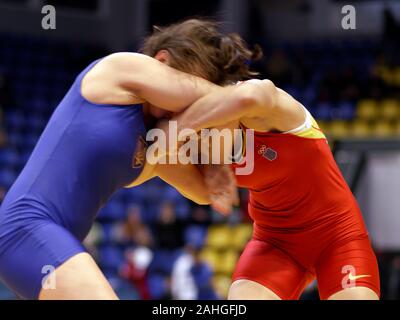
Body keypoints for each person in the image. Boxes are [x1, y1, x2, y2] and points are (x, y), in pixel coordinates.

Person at [0, 19, 258, 300]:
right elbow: (230, 100)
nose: (193, 110)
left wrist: (204, 155)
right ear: (162, 61)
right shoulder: (120, 69)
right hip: (26, 227)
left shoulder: (158, 145)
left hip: (52, 243)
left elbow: (206, 193)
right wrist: (214, 159)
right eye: (191, 97)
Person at [168, 78, 380, 300]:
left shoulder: (268, 112)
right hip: (276, 243)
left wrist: (181, 125)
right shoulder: (200, 145)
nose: (206, 137)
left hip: (338, 237)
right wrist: (158, 146)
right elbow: (187, 187)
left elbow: (252, 94)